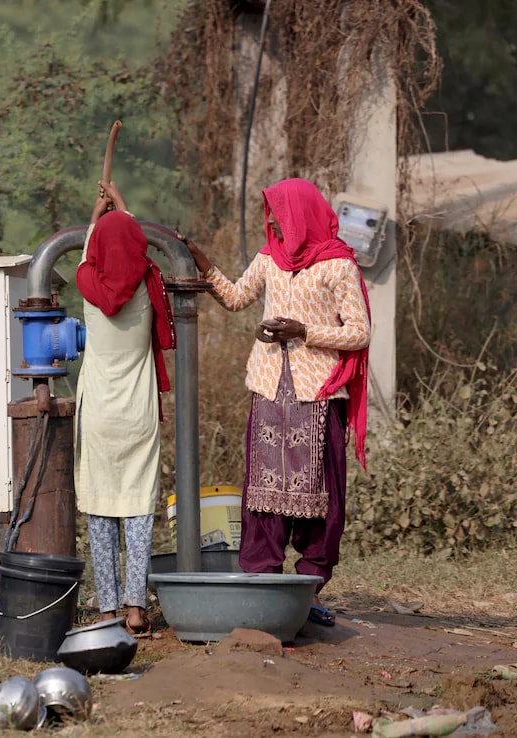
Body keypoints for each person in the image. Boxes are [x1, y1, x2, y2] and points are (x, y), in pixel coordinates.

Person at [178, 177, 370, 627]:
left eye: (280, 217)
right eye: (271, 217)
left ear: (301, 215)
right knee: (263, 494)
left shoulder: (337, 266)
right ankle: (263, 585)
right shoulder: (270, 259)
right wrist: (205, 265)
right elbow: (236, 298)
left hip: (317, 393)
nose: (274, 225)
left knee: (321, 496)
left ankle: (308, 588)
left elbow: (359, 332)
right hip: (269, 390)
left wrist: (304, 333)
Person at [73, 180, 175, 636]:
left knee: (99, 510)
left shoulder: (87, 287)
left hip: (98, 414)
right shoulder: (148, 288)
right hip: (137, 416)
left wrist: (99, 214)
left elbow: (88, 255)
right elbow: (134, 251)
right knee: (137, 510)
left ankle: (106, 611)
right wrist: (125, 207)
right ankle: (136, 609)